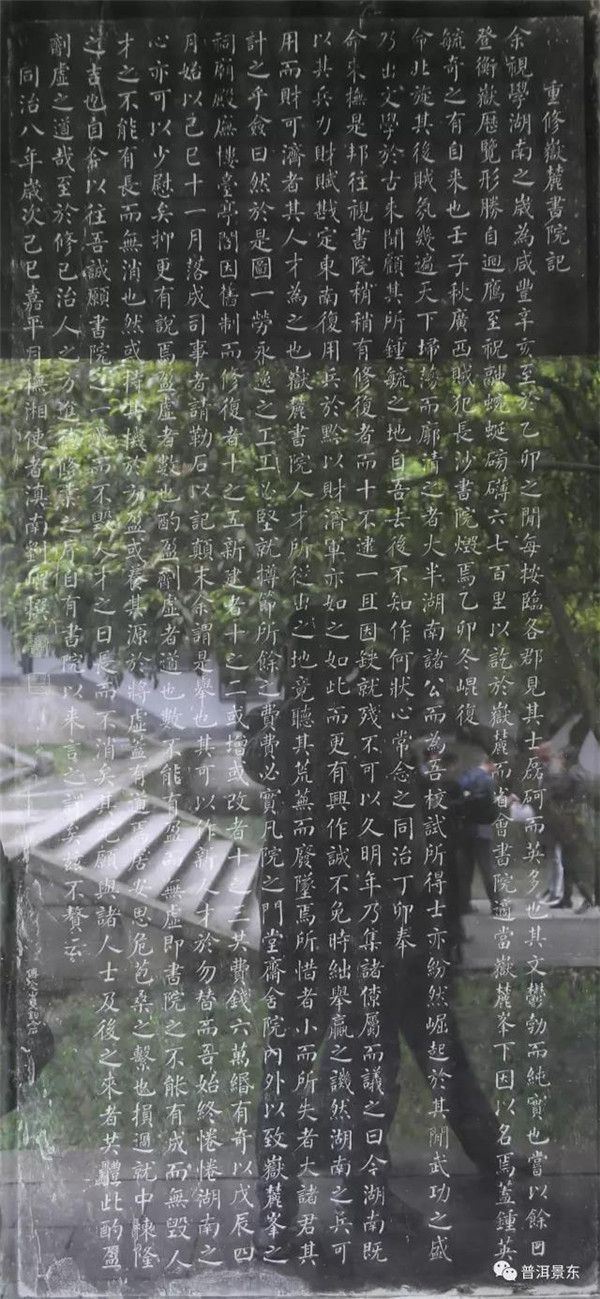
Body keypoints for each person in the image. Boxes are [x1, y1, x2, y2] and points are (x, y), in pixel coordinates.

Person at [243, 611, 505, 1263]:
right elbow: (392, 825)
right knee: (358, 1064)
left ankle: (285, 1210)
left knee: (298, 1064)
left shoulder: (289, 729)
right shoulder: (349, 729)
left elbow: (268, 764)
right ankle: (353, 1197)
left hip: (310, 921)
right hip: (347, 923)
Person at [537, 744, 594, 911]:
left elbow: (552, 792)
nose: (556, 758)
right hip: (568, 826)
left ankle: (587, 898)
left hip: (569, 827)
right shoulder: (575, 774)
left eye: (559, 756)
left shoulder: (570, 776)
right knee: (567, 863)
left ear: (564, 759)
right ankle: (567, 898)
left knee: (572, 863)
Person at [457, 757, 500, 916]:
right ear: (491, 763)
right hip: (482, 828)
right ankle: (497, 904)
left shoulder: (465, 777)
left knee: (465, 869)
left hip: (464, 828)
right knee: (487, 868)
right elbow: (492, 807)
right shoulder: (487, 781)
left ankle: (463, 904)